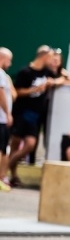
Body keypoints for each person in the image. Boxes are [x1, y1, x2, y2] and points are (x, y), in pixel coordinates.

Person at [7, 46, 55, 187]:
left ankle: (5, 168)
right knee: (15, 144)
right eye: (50, 57)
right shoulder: (25, 72)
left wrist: (53, 82)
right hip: (22, 112)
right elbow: (17, 91)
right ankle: (12, 175)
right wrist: (33, 90)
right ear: (44, 56)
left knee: (30, 144)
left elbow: (64, 78)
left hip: (35, 115)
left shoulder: (47, 72)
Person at [0, 47, 13, 191]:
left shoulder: (4, 75)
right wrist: (7, 113)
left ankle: (2, 177)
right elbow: (1, 94)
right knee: (1, 149)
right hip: (1, 118)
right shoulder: (0, 74)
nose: (10, 63)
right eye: (9, 60)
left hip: (2, 118)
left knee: (4, 149)